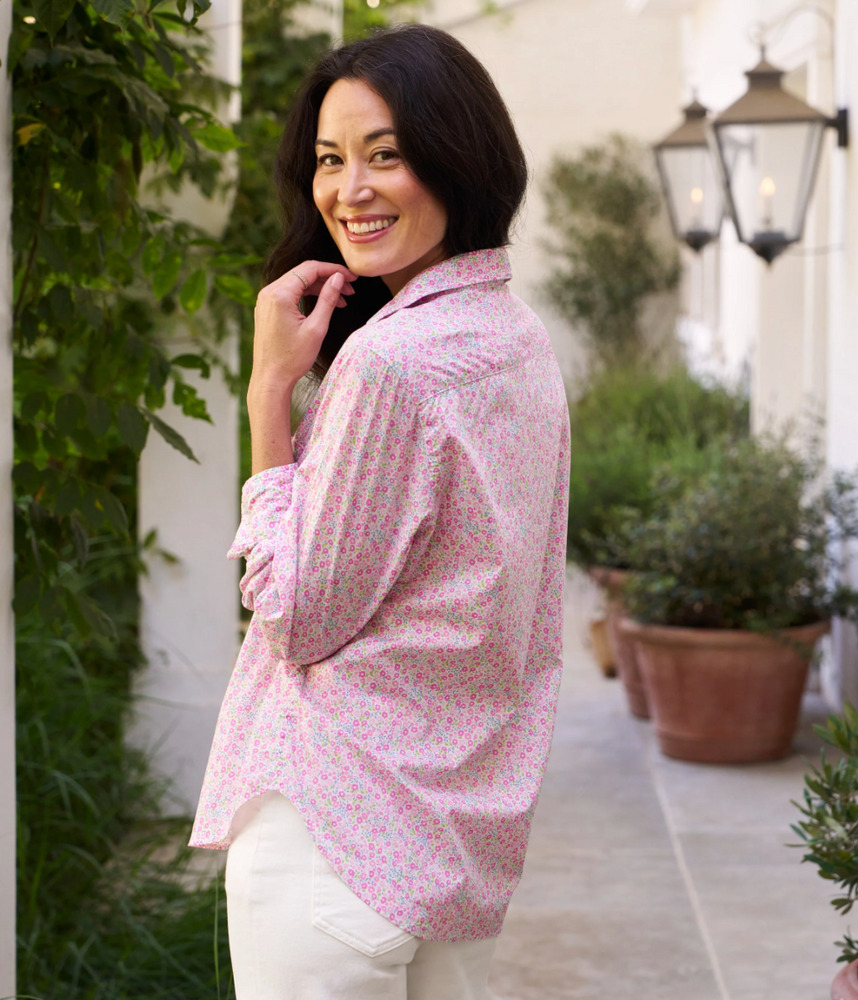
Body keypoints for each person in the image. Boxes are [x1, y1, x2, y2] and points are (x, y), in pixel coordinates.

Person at [190, 22, 570, 1000]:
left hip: (334, 835)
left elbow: (300, 615)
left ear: (458, 154)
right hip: (452, 844)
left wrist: (270, 392)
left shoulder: (392, 365)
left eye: (385, 155)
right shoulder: (518, 339)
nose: (348, 189)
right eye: (329, 159)